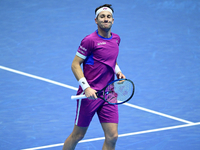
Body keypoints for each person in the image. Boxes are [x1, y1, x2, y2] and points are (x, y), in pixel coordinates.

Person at [63, 4, 125, 150]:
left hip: (109, 93)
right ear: (96, 20)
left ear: (113, 20)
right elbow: (75, 65)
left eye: (108, 17)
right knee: (78, 135)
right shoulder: (89, 40)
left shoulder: (116, 39)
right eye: (102, 17)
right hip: (90, 95)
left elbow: (110, 59)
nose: (106, 19)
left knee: (112, 136)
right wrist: (86, 88)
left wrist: (118, 71)